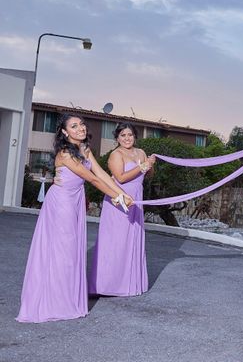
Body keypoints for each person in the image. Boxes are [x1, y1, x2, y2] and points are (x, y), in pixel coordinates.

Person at [17, 114, 133, 323]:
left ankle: (67, 299)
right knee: (64, 250)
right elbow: (90, 178)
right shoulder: (64, 153)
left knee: (72, 251)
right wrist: (117, 196)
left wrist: (121, 192)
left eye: (81, 124)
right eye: (74, 126)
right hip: (62, 202)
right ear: (64, 131)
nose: (80, 128)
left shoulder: (85, 149)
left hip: (76, 200)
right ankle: (56, 302)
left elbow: (101, 174)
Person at [89, 122, 155, 296]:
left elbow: (147, 175)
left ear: (135, 136)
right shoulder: (115, 154)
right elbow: (121, 177)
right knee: (116, 242)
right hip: (119, 201)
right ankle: (106, 285)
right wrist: (142, 166)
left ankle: (129, 284)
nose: (127, 138)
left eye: (130, 135)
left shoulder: (140, 152)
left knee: (132, 241)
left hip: (136, 199)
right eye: (123, 135)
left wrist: (150, 165)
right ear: (117, 138)